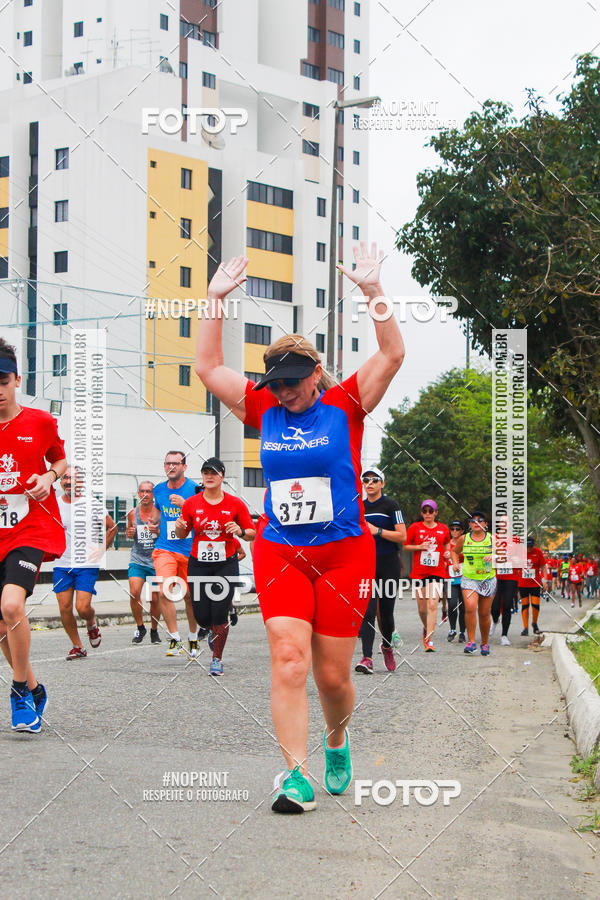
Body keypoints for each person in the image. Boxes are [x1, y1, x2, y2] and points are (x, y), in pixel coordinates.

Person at [195, 243, 404, 813]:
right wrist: (214, 300)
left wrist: (372, 292)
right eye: (276, 383)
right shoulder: (262, 408)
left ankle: (336, 739)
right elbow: (208, 368)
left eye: (293, 382)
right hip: (281, 551)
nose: (284, 392)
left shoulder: (346, 404)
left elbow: (392, 353)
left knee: (333, 677)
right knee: (289, 659)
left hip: (344, 554)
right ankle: (295, 776)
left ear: (315, 374)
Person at [0, 338, 67, 731]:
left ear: (16, 380)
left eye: (3, 381)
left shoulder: (40, 422)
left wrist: (48, 477)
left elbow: (59, 459)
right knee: (1, 626)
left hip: (30, 528)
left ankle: (19, 691)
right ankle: (34, 688)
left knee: (12, 606)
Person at [175, 457, 255, 675]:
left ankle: (216, 658)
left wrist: (239, 531)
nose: (209, 477)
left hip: (225, 564)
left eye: (213, 473)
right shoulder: (191, 503)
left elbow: (252, 533)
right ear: (202, 477)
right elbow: (182, 533)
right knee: (202, 615)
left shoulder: (235, 504)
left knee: (219, 612)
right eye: (205, 473)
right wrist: (179, 527)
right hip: (199, 563)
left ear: (222, 477)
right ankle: (213, 629)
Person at [53, 467, 116, 660]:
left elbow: (112, 527)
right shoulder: (55, 505)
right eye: (65, 478)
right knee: (64, 607)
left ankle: (91, 622)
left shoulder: (92, 504)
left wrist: (101, 550)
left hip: (86, 564)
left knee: (82, 608)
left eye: (73, 478)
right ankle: (77, 646)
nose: (69, 481)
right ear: (61, 482)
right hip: (62, 563)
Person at [355, 466, 406, 674]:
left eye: (374, 480)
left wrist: (378, 531)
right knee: (367, 612)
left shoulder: (391, 505)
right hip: (366, 564)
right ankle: (366, 658)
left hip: (388, 563)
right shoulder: (359, 506)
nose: (370, 483)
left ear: (382, 483)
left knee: (385, 613)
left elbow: (402, 536)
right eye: (366, 480)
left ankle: (386, 646)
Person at [152, 451, 201, 657]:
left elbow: (204, 517)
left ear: (184, 467)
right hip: (165, 549)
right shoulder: (158, 490)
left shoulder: (195, 490)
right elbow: (157, 516)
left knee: (190, 597)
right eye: (167, 463)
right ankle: (175, 639)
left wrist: (185, 505)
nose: (171, 467)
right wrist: (153, 525)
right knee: (164, 592)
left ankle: (193, 638)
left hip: (190, 551)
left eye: (175, 463)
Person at [404, 500, 451, 652]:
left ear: (436, 512)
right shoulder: (415, 527)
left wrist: (448, 552)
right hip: (419, 573)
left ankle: (429, 640)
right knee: (423, 609)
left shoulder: (443, 528)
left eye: (431, 511)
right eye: (425, 511)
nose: (428, 514)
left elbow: (447, 544)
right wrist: (419, 546)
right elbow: (405, 545)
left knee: (432, 605)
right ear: (421, 513)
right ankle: (426, 627)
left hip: (437, 571)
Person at [450, 510, 496, 656]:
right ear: (469, 524)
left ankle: (485, 643)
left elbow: (505, 555)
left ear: (486, 524)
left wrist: (493, 556)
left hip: (487, 579)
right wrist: (455, 563)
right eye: (473, 520)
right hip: (469, 578)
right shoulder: (464, 539)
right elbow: (454, 552)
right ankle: (471, 642)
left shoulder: (492, 539)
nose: (476, 523)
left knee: (484, 613)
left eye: (480, 520)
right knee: (470, 607)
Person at [126, 482, 161, 644]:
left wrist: (157, 531)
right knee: (134, 592)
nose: (145, 494)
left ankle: (154, 630)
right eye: (142, 491)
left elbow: (168, 535)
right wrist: (129, 532)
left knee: (154, 598)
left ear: (153, 494)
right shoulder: (132, 513)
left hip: (156, 561)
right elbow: (129, 533)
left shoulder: (159, 513)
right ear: (138, 494)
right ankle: (140, 627)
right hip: (138, 559)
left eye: (148, 491)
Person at [518, 536, 546, 634]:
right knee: (525, 605)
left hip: (535, 583)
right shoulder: (520, 552)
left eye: (531, 546)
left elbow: (543, 566)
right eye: (527, 546)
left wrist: (545, 580)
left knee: (535, 605)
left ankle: (534, 623)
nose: (529, 548)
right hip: (523, 583)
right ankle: (525, 628)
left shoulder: (538, 552)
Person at [446, 519, 466, 642]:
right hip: (450, 578)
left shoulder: (466, 542)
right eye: (452, 529)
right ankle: (452, 629)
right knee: (452, 604)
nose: (454, 531)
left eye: (457, 529)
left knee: (463, 607)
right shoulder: (446, 544)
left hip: (464, 579)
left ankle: (462, 632)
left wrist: (456, 554)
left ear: (462, 531)